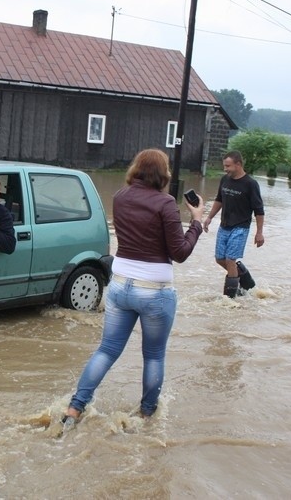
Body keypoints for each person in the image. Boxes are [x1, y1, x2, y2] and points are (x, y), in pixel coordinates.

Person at [61, 149, 204, 430]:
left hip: (119, 286)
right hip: (154, 290)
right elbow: (180, 252)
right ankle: (146, 415)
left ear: (136, 168)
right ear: (163, 174)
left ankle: (74, 409)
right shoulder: (165, 204)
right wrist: (196, 222)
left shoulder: (119, 196)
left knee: (106, 350)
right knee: (153, 355)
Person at [202, 150, 265, 298]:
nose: (225, 169)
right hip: (224, 226)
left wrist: (259, 232)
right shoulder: (225, 180)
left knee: (230, 259)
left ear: (238, 164)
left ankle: (230, 298)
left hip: (240, 227)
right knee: (219, 258)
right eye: (224, 166)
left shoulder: (251, 184)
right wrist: (209, 217)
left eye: (228, 166)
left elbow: (259, 210)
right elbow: (219, 200)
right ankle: (246, 282)